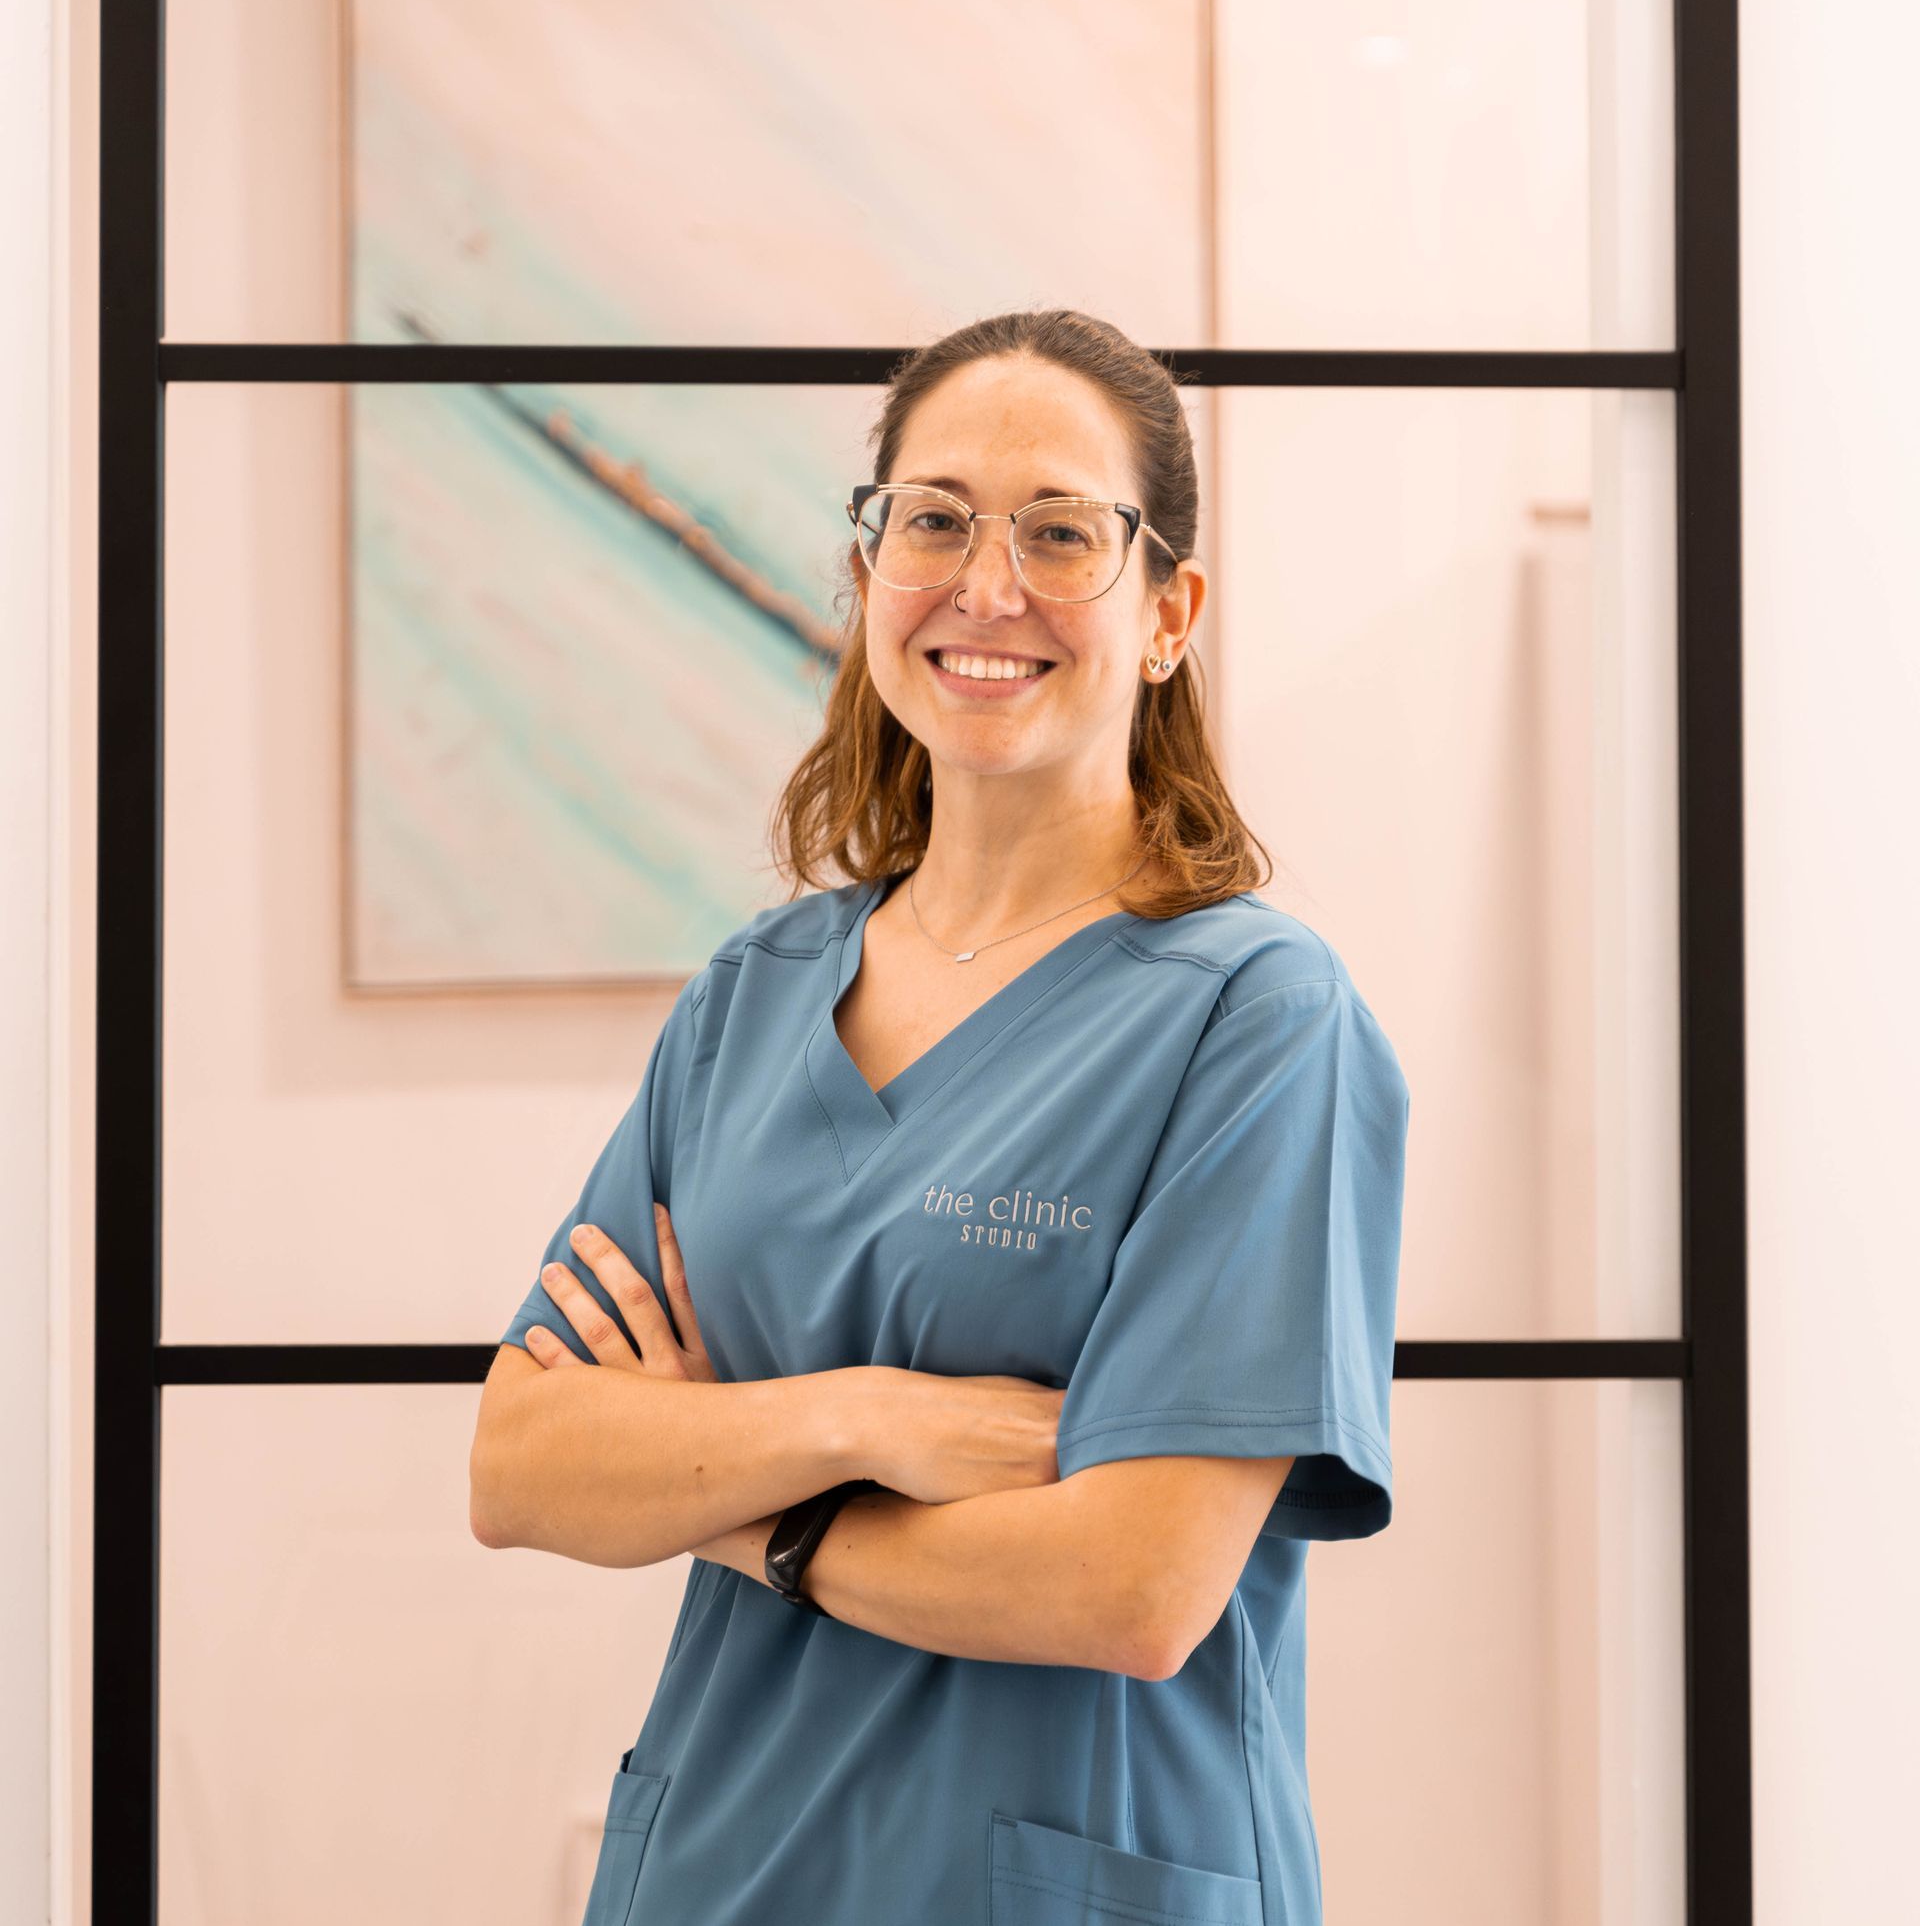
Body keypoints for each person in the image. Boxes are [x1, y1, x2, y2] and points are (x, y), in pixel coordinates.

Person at [469, 307, 1411, 1926]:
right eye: (935, 519)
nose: (988, 587)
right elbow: (526, 1457)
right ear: (867, 573)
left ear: (1169, 613)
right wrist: (866, 1415)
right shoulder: (753, 999)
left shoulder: (1256, 1017)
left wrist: (734, 1502)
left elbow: (1133, 1584)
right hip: (722, 1871)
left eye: (1060, 531)